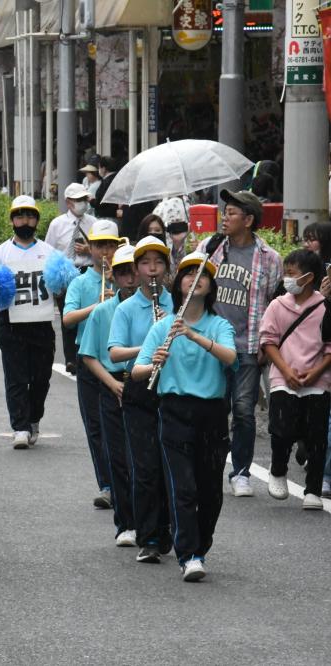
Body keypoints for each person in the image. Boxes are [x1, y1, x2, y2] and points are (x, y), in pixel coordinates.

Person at [132, 252, 236, 582]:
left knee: (210, 492)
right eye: (188, 273)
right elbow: (136, 371)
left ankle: (200, 546)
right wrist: (154, 364)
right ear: (179, 284)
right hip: (174, 411)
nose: (195, 278)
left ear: (211, 286)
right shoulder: (163, 326)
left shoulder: (219, 325)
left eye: (202, 274)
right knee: (183, 487)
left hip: (212, 413)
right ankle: (189, 555)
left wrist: (193, 336)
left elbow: (230, 357)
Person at [198, 189, 282, 498]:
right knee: (214, 407)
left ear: (248, 220)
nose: (225, 218)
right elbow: (192, 283)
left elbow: (274, 300)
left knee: (244, 410)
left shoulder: (270, 258)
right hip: (213, 341)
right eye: (225, 212)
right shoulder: (211, 247)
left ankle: (241, 471)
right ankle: (210, 464)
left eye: (232, 213)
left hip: (248, 345)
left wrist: (265, 341)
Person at [107, 235, 174, 561]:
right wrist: (150, 342)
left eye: (158, 263)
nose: (152, 270)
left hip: (172, 388)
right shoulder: (126, 308)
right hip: (138, 388)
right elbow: (115, 353)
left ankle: (169, 530)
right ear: (135, 269)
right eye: (145, 263)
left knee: (169, 466)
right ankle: (148, 537)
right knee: (145, 466)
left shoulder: (176, 303)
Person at [259, 249, 330, 509]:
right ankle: (278, 469)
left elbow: (329, 347)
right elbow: (268, 340)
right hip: (282, 377)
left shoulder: (325, 307)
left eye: (292, 274)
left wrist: (315, 372)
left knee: (317, 435)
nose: (287, 279)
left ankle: (313, 490)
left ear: (309, 277)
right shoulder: (278, 304)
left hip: (318, 380)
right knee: (281, 428)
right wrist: (286, 371)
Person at [78, 244, 139, 544]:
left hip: (143, 384)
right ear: (113, 277)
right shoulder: (102, 311)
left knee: (142, 455)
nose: (129, 279)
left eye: (133, 272)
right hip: (111, 382)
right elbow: (89, 355)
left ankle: (148, 520)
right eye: (123, 273)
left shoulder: (157, 307)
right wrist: (111, 384)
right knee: (115, 455)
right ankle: (125, 522)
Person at [0, 196, 56, 449]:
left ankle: (34, 418)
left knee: (41, 377)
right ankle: (20, 427)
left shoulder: (49, 252)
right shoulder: (0, 253)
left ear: (36, 220)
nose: (24, 221)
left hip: (41, 322)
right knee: (15, 376)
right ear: (12, 220)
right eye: (19, 216)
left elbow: (59, 285)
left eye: (29, 216)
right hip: (11, 322)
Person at [63, 220, 120, 508]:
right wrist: (97, 306)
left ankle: (123, 479)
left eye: (111, 245)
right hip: (88, 358)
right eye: (100, 246)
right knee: (95, 425)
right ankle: (107, 484)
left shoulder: (125, 279)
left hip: (120, 360)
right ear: (91, 249)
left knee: (121, 425)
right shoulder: (81, 281)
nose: (106, 251)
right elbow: (67, 318)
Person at [45, 182, 97, 374]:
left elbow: (102, 250)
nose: (83, 203)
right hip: (66, 273)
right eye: (78, 200)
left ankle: (88, 354)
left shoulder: (93, 222)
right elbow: (49, 251)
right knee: (69, 318)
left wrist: (88, 249)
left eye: (85, 199)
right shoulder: (57, 224)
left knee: (90, 315)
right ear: (68, 202)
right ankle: (71, 359)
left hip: (88, 270)